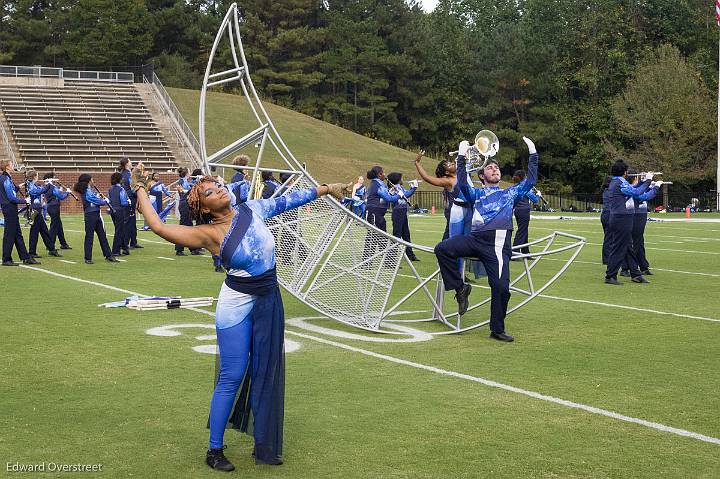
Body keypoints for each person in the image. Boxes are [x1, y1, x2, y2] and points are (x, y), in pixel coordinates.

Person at [130, 163, 348, 470]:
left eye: (217, 185)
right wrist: (139, 187)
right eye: (209, 192)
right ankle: (214, 450)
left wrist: (328, 188)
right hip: (237, 304)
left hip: (269, 298)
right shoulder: (207, 234)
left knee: (265, 369)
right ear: (204, 208)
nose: (218, 189)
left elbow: (291, 200)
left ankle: (263, 441)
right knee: (232, 376)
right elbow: (160, 228)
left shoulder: (252, 210)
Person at [434, 137, 538, 343]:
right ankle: (460, 288)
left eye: (496, 168)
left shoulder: (511, 193)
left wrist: (533, 153)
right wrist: (461, 157)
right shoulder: (476, 193)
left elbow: (531, 181)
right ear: (482, 176)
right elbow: (462, 182)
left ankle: (497, 329)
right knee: (442, 248)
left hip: (498, 246)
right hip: (475, 241)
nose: (495, 169)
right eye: (490, 168)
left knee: (501, 288)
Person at [604, 160, 659, 285]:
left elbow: (633, 189)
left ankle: (635, 274)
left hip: (623, 218)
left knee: (628, 248)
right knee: (619, 248)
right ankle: (610, 275)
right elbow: (636, 192)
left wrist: (643, 181)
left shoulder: (617, 182)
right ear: (625, 172)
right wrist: (648, 181)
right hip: (621, 219)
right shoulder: (619, 182)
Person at [73, 174, 119, 264]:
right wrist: (104, 201)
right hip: (90, 215)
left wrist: (99, 196)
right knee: (89, 236)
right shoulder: (86, 190)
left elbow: (94, 198)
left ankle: (108, 255)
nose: (93, 181)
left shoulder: (89, 190)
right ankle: (88, 258)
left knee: (102, 236)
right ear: (88, 181)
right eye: (92, 179)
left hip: (96, 214)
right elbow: (92, 200)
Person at [0, 160, 38, 266]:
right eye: (11, 164)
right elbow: (11, 198)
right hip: (9, 208)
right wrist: (24, 200)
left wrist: (18, 186)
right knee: (9, 234)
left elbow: (10, 192)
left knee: (17, 234)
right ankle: (6, 259)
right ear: (7, 167)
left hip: (10, 208)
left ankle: (25, 257)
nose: (13, 166)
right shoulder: (5, 179)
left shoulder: (6, 178)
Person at [363, 166, 399, 263]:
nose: (384, 175)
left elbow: (383, 197)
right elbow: (389, 199)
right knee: (375, 237)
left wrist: (391, 192)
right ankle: (368, 262)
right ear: (379, 174)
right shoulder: (378, 184)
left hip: (376, 213)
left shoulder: (376, 183)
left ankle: (386, 261)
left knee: (379, 236)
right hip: (374, 213)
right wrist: (399, 194)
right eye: (383, 173)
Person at [25, 170, 60, 258]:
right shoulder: (30, 185)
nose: (38, 177)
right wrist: (49, 184)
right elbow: (39, 192)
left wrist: (48, 184)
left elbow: (42, 190)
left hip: (38, 210)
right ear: (34, 177)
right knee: (34, 232)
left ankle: (51, 249)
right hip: (34, 211)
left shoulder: (34, 184)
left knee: (44, 231)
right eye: (37, 176)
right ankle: (32, 252)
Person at [386, 172, 418, 261]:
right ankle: (391, 258)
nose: (402, 180)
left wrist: (412, 188)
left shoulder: (400, 187)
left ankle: (410, 255)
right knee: (397, 235)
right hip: (398, 212)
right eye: (401, 178)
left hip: (402, 212)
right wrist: (414, 187)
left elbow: (406, 193)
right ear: (397, 179)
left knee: (406, 234)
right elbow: (405, 196)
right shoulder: (394, 188)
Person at [511, 170, 541, 255]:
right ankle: (514, 251)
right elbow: (535, 200)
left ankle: (525, 252)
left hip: (517, 210)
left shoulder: (515, 186)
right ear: (523, 177)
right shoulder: (525, 186)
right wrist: (538, 195)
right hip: (524, 210)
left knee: (524, 230)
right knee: (522, 231)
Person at [43, 172, 72, 250]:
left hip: (51, 207)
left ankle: (63, 243)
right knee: (54, 227)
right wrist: (67, 192)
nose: (55, 179)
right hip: (54, 208)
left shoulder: (46, 186)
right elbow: (61, 197)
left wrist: (61, 190)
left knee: (59, 226)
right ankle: (50, 245)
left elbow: (56, 195)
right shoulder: (52, 187)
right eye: (54, 177)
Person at [175, 167, 200, 256]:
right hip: (184, 204)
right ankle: (179, 249)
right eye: (189, 172)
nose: (190, 173)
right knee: (183, 228)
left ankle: (193, 249)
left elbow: (190, 187)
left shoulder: (185, 181)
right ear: (186, 173)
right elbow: (182, 191)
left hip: (186, 204)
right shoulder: (181, 181)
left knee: (189, 227)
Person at [119, 158, 142, 250]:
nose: (131, 163)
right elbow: (133, 187)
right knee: (129, 221)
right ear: (127, 164)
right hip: (130, 198)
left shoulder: (122, 174)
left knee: (132, 220)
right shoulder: (128, 174)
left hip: (126, 198)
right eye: (130, 161)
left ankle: (133, 241)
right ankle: (126, 243)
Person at [108, 172, 131, 257]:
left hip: (112, 210)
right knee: (119, 231)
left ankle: (124, 248)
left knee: (119, 230)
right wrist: (128, 202)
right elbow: (123, 202)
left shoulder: (110, 189)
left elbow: (109, 200)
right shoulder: (121, 189)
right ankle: (115, 250)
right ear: (119, 179)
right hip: (120, 211)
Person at [600, 175, 612, 265]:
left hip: (605, 214)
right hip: (609, 214)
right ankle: (607, 259)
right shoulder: (609, 191)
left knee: (608, 237)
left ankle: (608, 257)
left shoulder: (605, 190)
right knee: (609, 237)